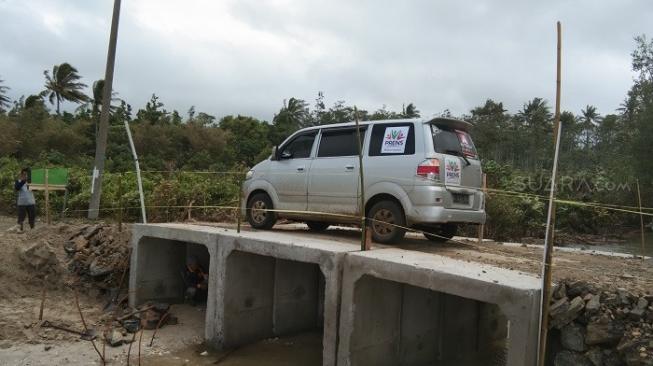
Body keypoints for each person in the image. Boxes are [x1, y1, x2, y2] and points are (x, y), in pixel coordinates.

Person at [15, 168, 36, 232]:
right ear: (21, 175)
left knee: (32, 217)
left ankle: (32, 229)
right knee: (21, 217)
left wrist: (30, 185)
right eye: (24, 174)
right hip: (22, 203)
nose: (25, 175)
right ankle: (20, 229)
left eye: (26, 174)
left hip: (31, 202)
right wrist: (23, 181)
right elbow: (17, 188)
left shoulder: (31, 182)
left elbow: (36, 189)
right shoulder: (18, 181)